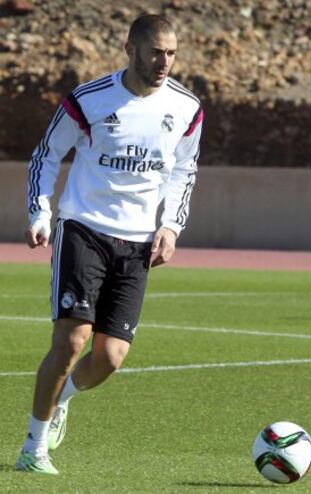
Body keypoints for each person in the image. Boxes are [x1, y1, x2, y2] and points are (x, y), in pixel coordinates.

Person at [16, 13, 203, 475]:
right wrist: (40, 215)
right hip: (83, 227)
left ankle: (61, 402)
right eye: (157, 51)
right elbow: (46, 154)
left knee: (110, 358)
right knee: (73, 339)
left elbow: (184, 170)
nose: (165, 62)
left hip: (139, 241)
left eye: (172, 53)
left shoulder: (187, 108)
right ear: (131, 49)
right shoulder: (89, 99)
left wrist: (171, 227)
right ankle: (32, 448)